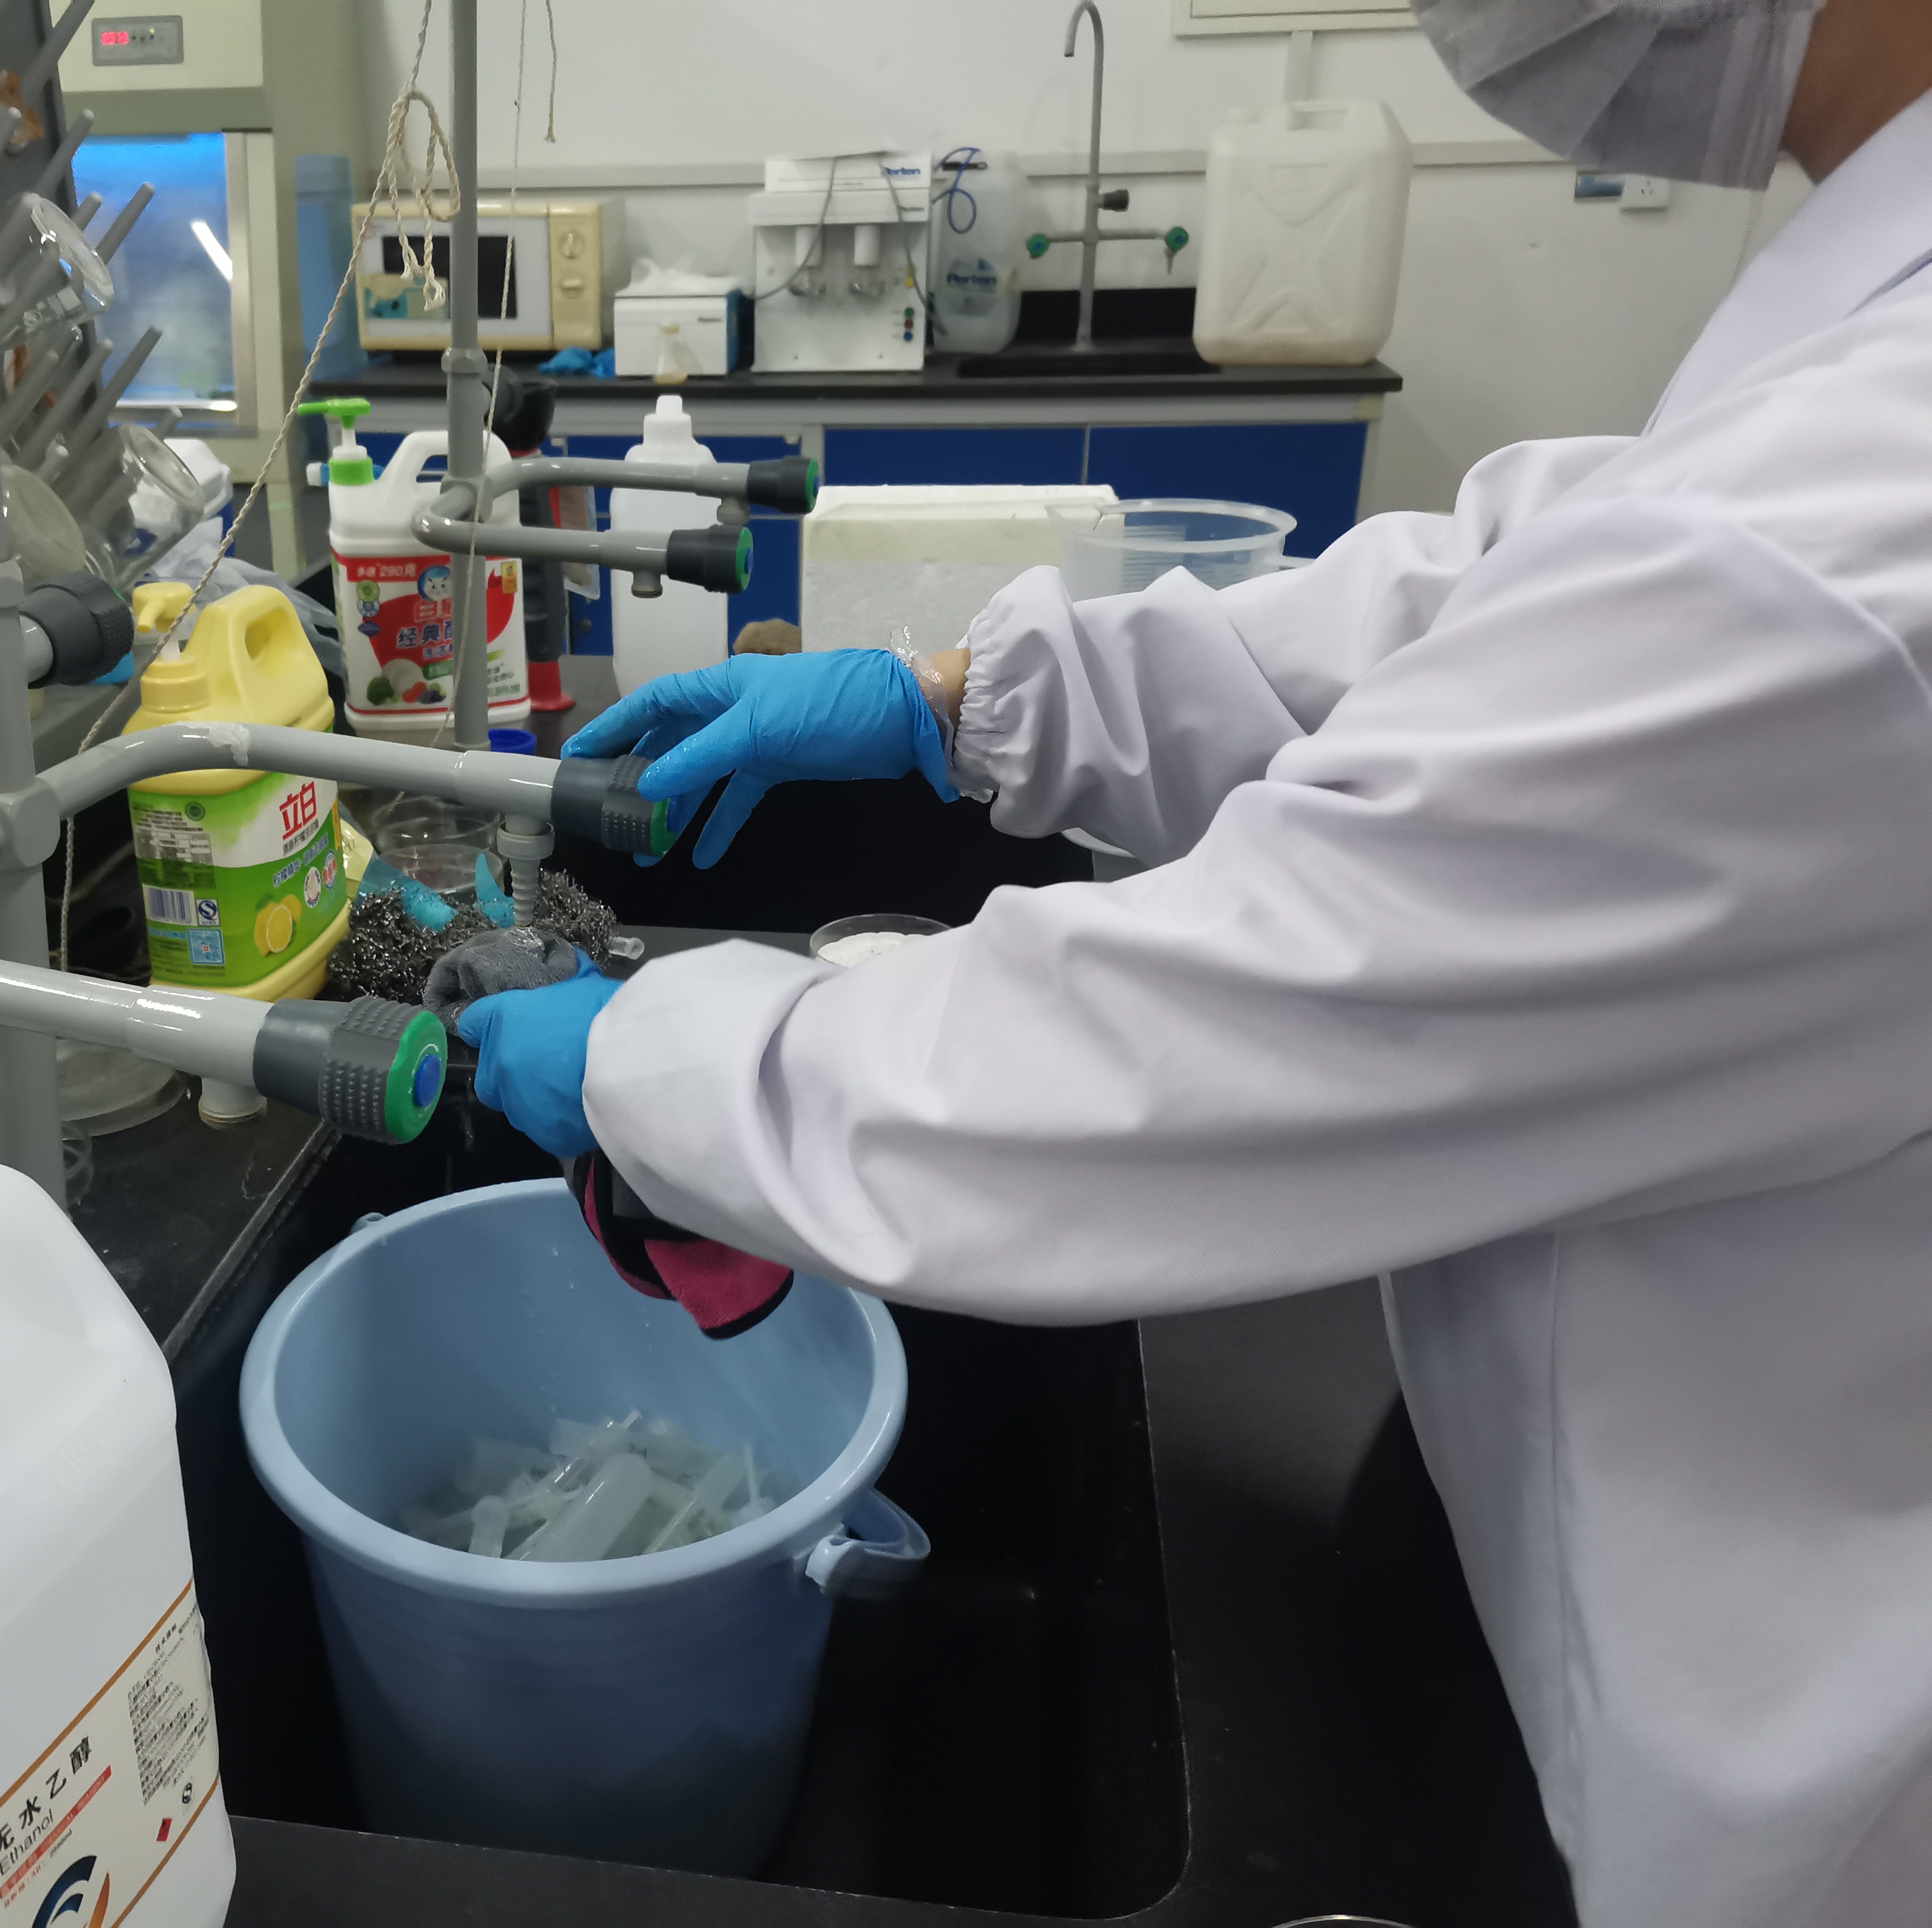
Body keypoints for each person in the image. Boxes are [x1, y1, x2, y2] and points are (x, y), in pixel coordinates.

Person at [454, 3, 1932, 1923]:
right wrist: (957, 700)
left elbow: (1204, 1030)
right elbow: (1506, 608)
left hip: (1741, 1769)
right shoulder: (1848, 374)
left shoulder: (1857, 531)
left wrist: (651, 1059)